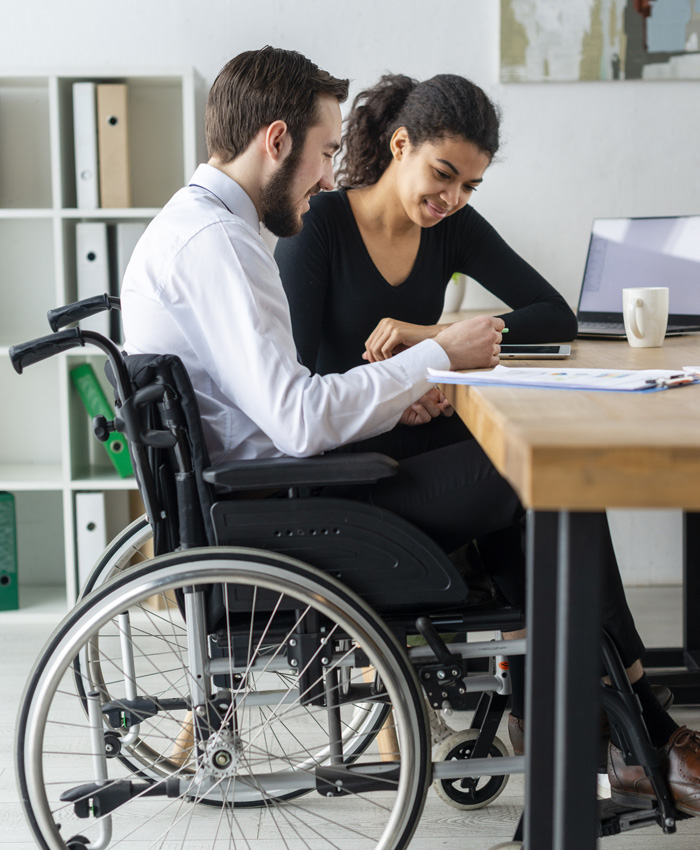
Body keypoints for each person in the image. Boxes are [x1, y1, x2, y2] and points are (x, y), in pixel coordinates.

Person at [120, 46, 700, 816]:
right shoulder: (223, 245)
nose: (331, 172)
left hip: (279, 487)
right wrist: (430, 357)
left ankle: (595, 730)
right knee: (541, 478)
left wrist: (406, 388)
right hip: (296, 505)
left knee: (513, 483)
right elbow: (298, 416)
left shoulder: (197, 231)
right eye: (326, 152)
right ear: (276, 140)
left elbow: (289, 402)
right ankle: (624, 732)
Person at [275, 73, 578, 460]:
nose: (452, 198)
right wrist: (397, 394)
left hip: (414, 434)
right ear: (401, 145)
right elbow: (296, 388)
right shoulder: (318, 224)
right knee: (531, 467)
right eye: (443, 174)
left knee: (555, 442)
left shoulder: (453, 228)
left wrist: (433, 337)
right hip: (346, 458)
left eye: (469, 186)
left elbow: (556, 316)